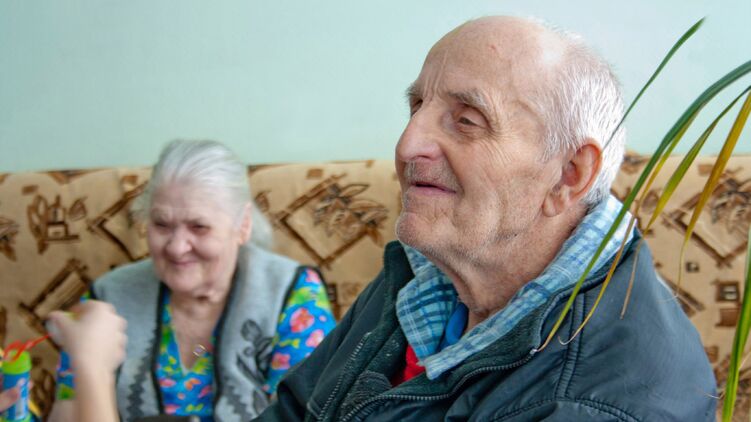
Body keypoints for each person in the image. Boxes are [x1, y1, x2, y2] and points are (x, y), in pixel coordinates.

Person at [256, 16, 716, 421]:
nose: (407, 145)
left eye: (467, 120)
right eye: (417, 107)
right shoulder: (431, 267)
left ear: (568, 175)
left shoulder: (601, 402)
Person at [48, 140, 336, 421]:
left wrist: (94, 367)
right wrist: (88, 365)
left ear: (243, 225)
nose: (176, 248)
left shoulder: (292, 295)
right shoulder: (109, 296)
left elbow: (309, 413)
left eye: (199, 227)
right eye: (161, 224)